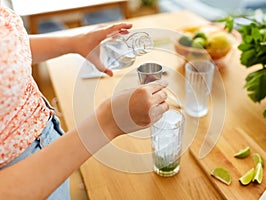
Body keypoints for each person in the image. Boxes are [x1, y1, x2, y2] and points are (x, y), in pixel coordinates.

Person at [0, 3, 169, 199]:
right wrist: (108, 122)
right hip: (25, 180)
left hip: (49, 151)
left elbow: (7, 48)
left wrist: (73, 42)